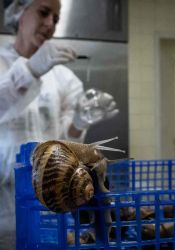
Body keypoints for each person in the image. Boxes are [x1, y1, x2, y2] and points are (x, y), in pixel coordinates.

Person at [0, 0, 119, 249]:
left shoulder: (63, 77)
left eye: (55, 18)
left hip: (52, 194)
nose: (50, 24)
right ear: (20, 15)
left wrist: (80, 121)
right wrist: (30, 71)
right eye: (43, 12)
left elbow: (64, 140)